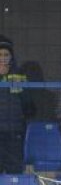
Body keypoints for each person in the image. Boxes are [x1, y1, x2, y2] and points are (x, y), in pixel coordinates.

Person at [0, 34, 34, 173]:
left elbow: (28, 105)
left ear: (11, 57)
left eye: (6, 55)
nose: (3, 58)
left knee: (14, 171)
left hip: (14, 133)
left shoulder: (19, 76)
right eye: (0, 55)